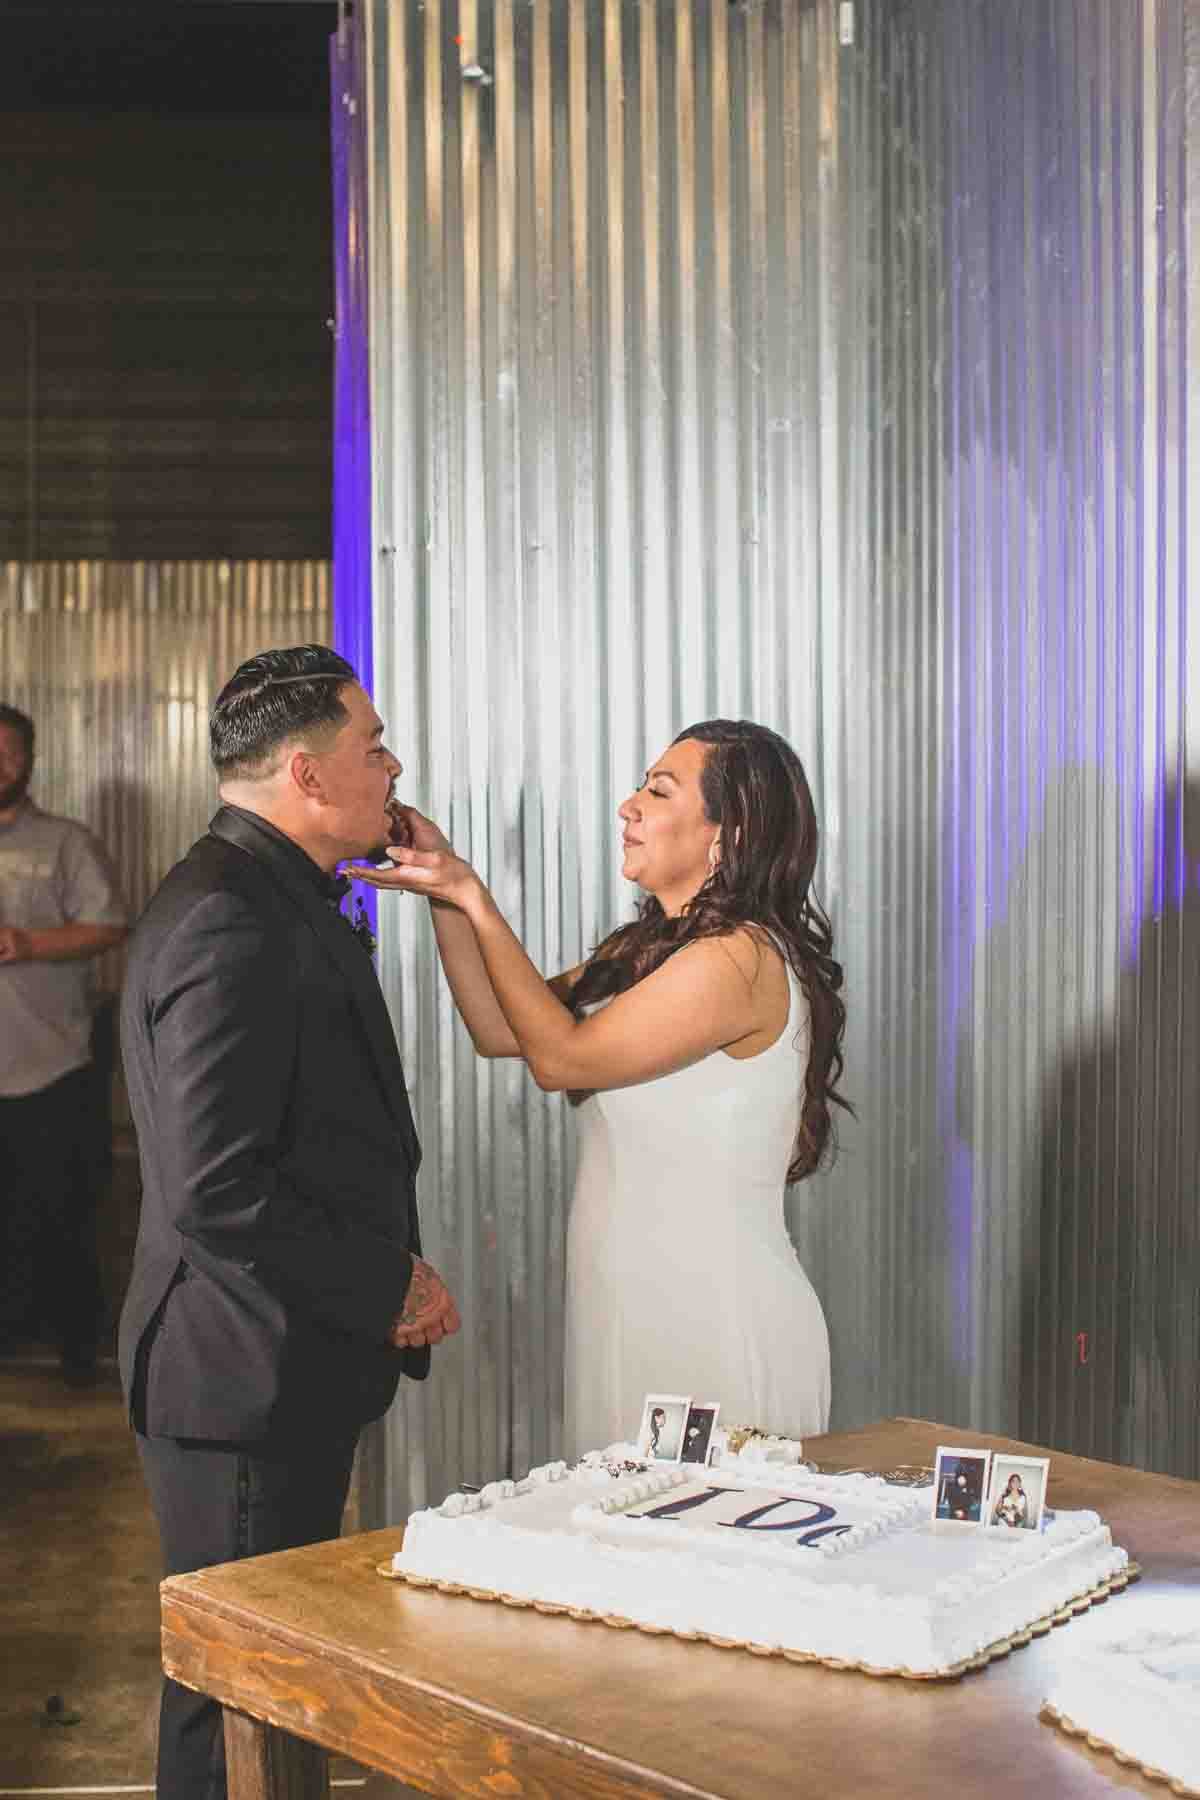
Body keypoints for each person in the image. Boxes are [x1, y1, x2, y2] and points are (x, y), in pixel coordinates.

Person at [118, 645, 460, 1800]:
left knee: (264, 1689)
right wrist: (389, 1285)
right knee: (239, 1703)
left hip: (268, 1360)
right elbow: (218, 1187)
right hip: (239, 1377)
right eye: (374, 749)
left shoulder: (264, 890)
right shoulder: (231, 918)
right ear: (309, 776)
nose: (394, 765)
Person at [350, 718, 848, 1455]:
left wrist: (477, 896)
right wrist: (444, 889)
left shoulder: (738, 961)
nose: (628, 806)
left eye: (658, 790)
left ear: (728, 833)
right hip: (625, 1313)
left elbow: (562, 1060)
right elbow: (500, 1030)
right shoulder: (642, 953)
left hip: (712, 1319)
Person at [0, 702, 128, 1381]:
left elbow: (109, 926)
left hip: (50, 1067)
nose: (0, 762)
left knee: (62, 1215)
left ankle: (78, 1350)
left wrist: (28, 942)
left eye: (10, 751)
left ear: (31, 759)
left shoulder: (65, 843)